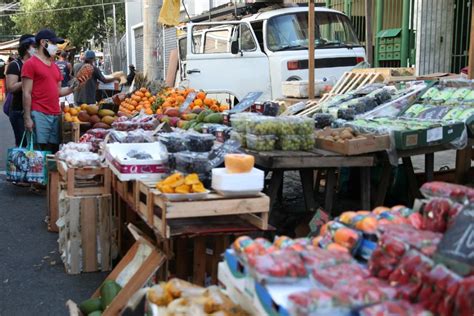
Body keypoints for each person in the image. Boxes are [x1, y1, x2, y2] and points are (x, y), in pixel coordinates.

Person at [22, 29, 76, 153]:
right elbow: (26, 93)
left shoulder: (55, 66)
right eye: (53, 43)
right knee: (38, 153)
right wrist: (27, 118)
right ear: (43, 42)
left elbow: (58, 91)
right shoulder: (30, 64)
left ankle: (49, 174)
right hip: (39, 114)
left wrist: (74, 87)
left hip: (55, 114)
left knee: (53, 151)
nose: (56, 47)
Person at [5, 34, 36, 146]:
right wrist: (27, 80)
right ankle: (19, 163)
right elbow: (11, 87)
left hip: (34, 110)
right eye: (34, 46)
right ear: (27, 48)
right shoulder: (15, 65)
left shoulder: (35, 64)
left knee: (32, 145)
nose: (36, 48)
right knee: (23, 145)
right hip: (18, 111)